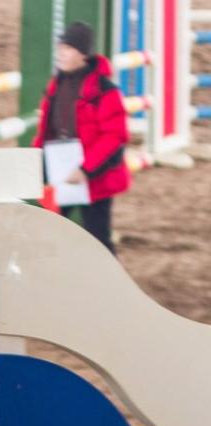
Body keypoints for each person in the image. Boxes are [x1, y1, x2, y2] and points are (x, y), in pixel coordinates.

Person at [31, 21, 130, 255]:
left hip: (95, 178)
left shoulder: (106, 91)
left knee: (98, 241)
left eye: (68, 48)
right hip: (61, 171)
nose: (61, 54)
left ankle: (108, 287)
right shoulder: (56, 85)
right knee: (49, 234)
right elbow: (47, 129)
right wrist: (36, 161)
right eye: (60, 48)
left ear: (83, 54)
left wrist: (85, 170)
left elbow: (114, 137)